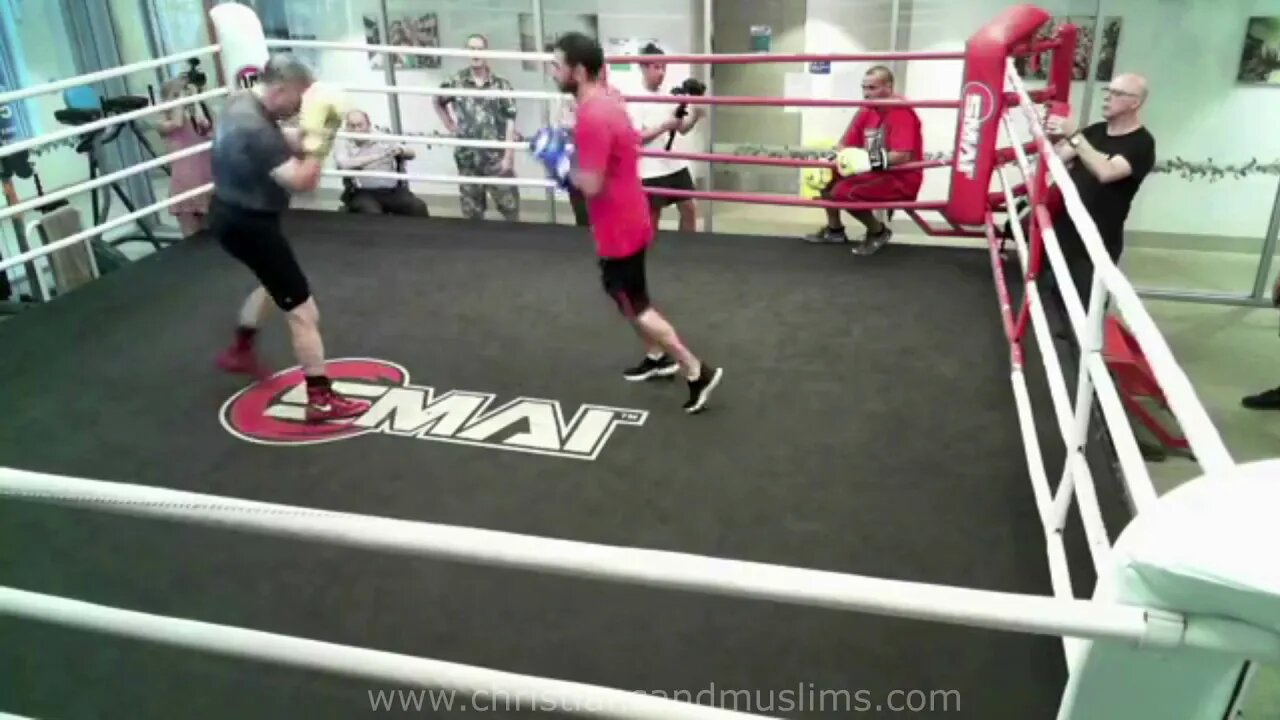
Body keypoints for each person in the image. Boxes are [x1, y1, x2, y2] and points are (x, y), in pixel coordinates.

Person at [545, 32, 723, 414]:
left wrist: (558, 163)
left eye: (557, 65)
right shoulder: (611, 100)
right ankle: (657, 357)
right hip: (631, 212)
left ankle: (695, 369)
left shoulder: (593, 115)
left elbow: (589, 183)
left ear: (577, 71)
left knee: (633, 301)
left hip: (617, 224)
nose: (551, 71)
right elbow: (630, 143)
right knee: (623, 291)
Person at [209, 53, 369, 422]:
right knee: (302, 311)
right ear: (281, 88)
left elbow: (283, 142)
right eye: (298, 98)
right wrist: (319, 144)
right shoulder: (254, 129)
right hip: (250, 226)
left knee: (272, 284)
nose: (300, 107)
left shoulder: (242, 103)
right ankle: (320, 399)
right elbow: (303, 182)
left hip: (229, 214)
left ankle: (240, 349)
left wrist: (316, 132)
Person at [1045, 72, 1156, 305]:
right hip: (1064, 228)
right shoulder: (1095, 131)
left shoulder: (1142, 143)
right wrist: (1046, 132)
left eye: (1117, 94)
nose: (1107, 98)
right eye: (1108, 91)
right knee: (1054, 301)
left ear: (1135, 103)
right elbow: (1057, 159)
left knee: (1086, 308)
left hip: (1097, 239)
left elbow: (1106, 172)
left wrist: (1074, 136)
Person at [804, 66, 923, 256]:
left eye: (872, 88)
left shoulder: (901, 112)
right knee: (825, 174)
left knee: (844, 192)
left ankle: (878, 231)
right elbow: (843, 145)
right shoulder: (866, 110)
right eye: (864, 88)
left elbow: (902, 156)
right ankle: (835, 231)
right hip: (874, 172)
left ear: (889, 87)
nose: (867, 94)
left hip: (900, 177)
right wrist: (830, 160)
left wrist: (864, 160)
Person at [435, 33, 520, 221]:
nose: (476, 53)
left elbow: (510, 121)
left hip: (495, 158)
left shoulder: (501, 85)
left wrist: (508, 157)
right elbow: (437, 100)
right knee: (472, 214)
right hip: (468, 159)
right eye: (472, 49)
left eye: (479, 49)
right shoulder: (455, 82)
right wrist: (450, 124)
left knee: (510, 209)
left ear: (486, 52)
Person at [629, 43, 705, 232]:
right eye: (656, 67)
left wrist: (696, 114)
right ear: (643, 67)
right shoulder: (635, 98)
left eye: (664, 67)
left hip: (673, 163)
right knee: (653, 218)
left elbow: (682, 129)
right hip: (650, 169)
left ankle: (686, 253)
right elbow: (635, 138)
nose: (661, 72)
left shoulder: (669, 93)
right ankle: (652, 258)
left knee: (689, 209)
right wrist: (664, 126)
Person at [334, 109, 429, 216]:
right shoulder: (343, 140)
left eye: (360, 125)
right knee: (372, 213)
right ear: (347, 127)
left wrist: (401, 151)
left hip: (392, 191)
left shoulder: (381, 137)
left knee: (417, 207)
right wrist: (378, 156)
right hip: (362, 192)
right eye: (352, 126)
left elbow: (411, 154)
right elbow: (344, 164)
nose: (357, 130)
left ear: (368, 125)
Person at [154, 76, 214, 237]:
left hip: (205, 180)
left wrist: (197, 101)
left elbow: (210, 129)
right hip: (185, 184)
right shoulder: (163, 120)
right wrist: (179, 100)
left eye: (183, 94)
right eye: (175, 96)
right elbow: (177, 123)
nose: (182, 98)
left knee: (212, 235)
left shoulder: (195, 116)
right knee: (191, 236)